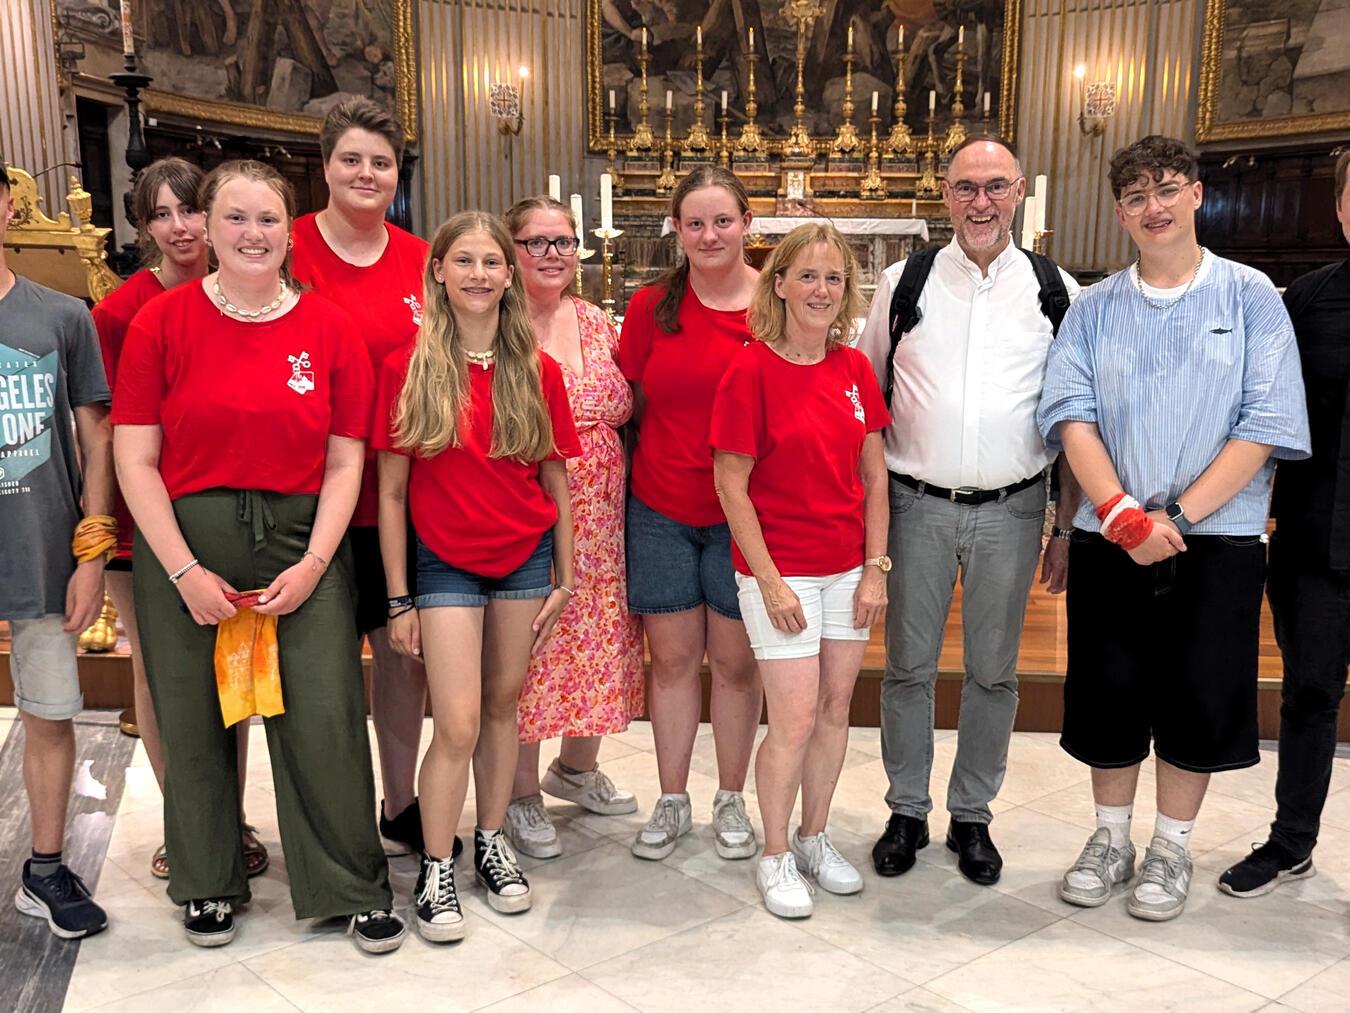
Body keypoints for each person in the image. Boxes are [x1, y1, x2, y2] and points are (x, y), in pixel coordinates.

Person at [112, 160, 404, 952]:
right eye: (235, 218)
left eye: (268, 218)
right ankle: (207, 877)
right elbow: (135, 458)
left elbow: (346, 460)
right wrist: (182, 569)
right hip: (186, 542)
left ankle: (350, 883)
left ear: (289, 231)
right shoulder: (162, 323)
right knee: (192, 713)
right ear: (207, 228)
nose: (253, 233)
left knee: (325, 711)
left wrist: (314, 563)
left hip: (302, 541)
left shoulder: (328, 327)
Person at [1038, 134, 1310, 921]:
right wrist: (1124, 516)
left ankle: (1171, 845)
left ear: (1195, 193)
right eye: (1135, 197)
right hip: (1112, 535)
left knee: (1199, 692)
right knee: (1110, 689)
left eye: (1166, 189)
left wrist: (1177, 515)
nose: (1152, 207)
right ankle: (1110, 837)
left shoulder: (1250, 296)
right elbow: (1072, 414)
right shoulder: (1093, 308)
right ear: (1120, 214)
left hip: (1216, 537)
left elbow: (1265, 421)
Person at [855, 135, 1081, 885]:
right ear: (945, 195)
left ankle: (973, 814)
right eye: (965, 187)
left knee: (994, 672)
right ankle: (907, 809)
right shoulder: (906, 280)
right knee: (907, 668)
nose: (980, 202)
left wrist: (1065, 526)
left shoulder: (1055, 289)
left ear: (1018, 192)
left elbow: (1076, 417)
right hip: (915, 505)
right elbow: (866, 396)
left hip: (1014, 511)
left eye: (995, 186)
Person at [374, 211, 580, 942]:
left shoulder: (537, 370)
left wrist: (566, 574)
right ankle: (437, 863)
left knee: (502, 707)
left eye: (492, 262)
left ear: (509, 276)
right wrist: (398, 598)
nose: (479, 274)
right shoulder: (408, 366)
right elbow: (391, 493)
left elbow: (555, 480)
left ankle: (491, 840)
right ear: (438, 271)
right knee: (457, 721)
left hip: (522, 560)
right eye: (463, 260)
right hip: (444, 563)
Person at [91, 156, 266, 882]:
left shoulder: (249, 295)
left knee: (235, 668)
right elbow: (104, 433)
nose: (179, 227)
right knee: (160, 675)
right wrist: (100, 530)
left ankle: (233, 816)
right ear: (144, 227)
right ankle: (187, 820)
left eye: (190, 209)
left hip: (224, 511)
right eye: (159, 215)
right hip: (144, 521)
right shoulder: (120, 313)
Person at [711, 223, 888, 918]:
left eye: (834, 278)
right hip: (778, 572)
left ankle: (815, 836)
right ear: (778, 283)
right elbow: (731, 485)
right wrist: (770, 580)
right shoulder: (750, 370)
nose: (821, 290)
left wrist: (875, 569)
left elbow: (874, 479)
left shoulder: (853, 370)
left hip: (847, 568)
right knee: (791, 719)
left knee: (835, 709)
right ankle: (776, 851)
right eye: (807, 276)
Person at [288, 97, 441, 858]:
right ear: (325, 166)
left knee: (402, 655)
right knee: (322, 667)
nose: (366, 173)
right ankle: (336, 813)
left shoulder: (422, 260)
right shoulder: (283, 247)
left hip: (398, 497)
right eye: (351, 159)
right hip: (305, 495)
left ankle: (400, 800)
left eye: (381, 162)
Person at [619, 166, 762, 862]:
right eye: (695, 223)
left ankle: (730, 797)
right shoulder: (652, 307)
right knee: (672, 662)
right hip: (661, 509)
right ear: (676, 229)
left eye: (722, 221)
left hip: (745, 518)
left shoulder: (775, 303)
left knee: (735, 665)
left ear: (747, 224)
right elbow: (632, 405)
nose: (709, 235)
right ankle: (672, 797)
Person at [1219, 149, 1350, 898]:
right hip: (1314, 539)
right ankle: (1292, 841)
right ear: (1340, 207)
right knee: (1309, 695)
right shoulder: (1306, 300)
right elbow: (1264, 408)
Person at [501, 196, 643, 859]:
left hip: (604, 520)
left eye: (563, 241)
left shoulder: (594, 320)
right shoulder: (497, 324)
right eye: (537, 241)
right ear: (511, 251)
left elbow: (628, 405)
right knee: (533, 645)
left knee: (600, 640)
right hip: (528, 510)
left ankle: (576, 768)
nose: (553, 254)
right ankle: (519, 792)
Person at [1, 159, 111, 940]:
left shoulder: (62, 316)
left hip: (40, 547)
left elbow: (96, 438)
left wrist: (92, 551)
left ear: (8, 205)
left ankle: (44, 868)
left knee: (48, 710)